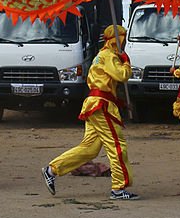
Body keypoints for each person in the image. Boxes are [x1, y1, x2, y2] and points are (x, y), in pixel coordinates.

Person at [42, 24, 138, 200]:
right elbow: (122, 75)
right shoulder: (110, 56)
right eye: (122, 39)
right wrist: (126, 62)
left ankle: (52, 169)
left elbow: (105, 86)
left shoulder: (100, 57)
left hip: (96, 103)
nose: (123, 44)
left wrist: (122, 103)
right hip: (101, 106)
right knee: (117, 146)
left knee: (89, 149)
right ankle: (118, 188)